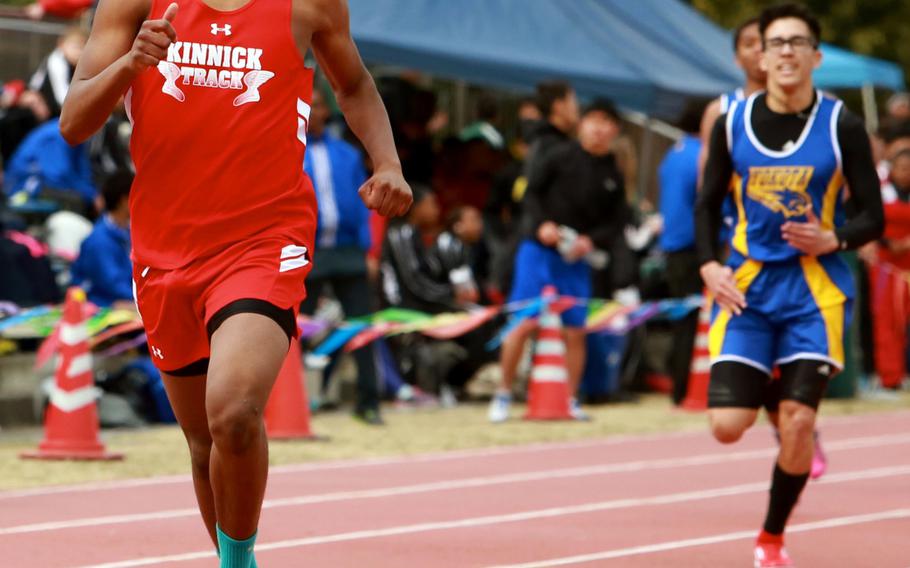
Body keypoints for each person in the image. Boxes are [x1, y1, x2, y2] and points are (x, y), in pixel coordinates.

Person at [59, 3, 412, 568]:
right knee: (204, 443)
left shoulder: (309, 4)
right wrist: (131, 64)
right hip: (164, 248)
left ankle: (237, 561)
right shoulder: (137, 4)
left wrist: (388, 162)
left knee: (234, 411)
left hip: (264, 238)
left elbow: (354, 83)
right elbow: (74, 121)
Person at [695, 5, 883, 567]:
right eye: (774, 42)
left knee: (800, 423)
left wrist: (835, 239)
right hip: (748, 287)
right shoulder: (733, 121)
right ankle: (781, 387)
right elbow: (705, 204)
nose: (784, 51)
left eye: (797, 42)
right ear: (759, 55)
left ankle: (771, 539)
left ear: (815, 57)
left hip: (814, 291)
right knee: (726, 428)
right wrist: (707, 264)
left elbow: (872, 215)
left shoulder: (841, 124)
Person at [489, 99, 630, 423]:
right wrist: (542, 226)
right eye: (592, 119)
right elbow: (530, 194)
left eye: (605, 122)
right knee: (522, 322)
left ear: (614, 131)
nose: (597, 128)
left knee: (575, 330)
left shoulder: (613, 174)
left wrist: (589, 241)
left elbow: (616, 223)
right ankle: (503, 394)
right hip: (538, 251)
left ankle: (570, 399)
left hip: (575, 258)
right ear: (581, 124)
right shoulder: (559, 155)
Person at [299, 88, 382, 425]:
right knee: (294, 328)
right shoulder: (289, 148)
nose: (313, 110)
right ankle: (290, 401)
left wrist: (369, 251)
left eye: (318, 104)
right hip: (309, 251)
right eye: (308, 103)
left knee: (361, 326)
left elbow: (365, 206)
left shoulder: (346, 154)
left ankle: (368, 401)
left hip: (348, 251)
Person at [658, 100, 704, 405]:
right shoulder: (701, 155)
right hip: (694, 246)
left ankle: (678, 385)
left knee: (681, 321)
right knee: (694, 320)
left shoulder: (671, 155)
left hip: (671, 246)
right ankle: (687, 387)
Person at [869, 149, 910, 390]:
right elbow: (869, 220)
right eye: (903, 168)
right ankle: (890, 377)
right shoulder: (880, 189)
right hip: (888, 268)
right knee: (887, 323)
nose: (907, 174)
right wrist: (886, 243)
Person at [71, 170, 134, 307]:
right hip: (102, 307)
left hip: (127, 300)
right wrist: (144, 299)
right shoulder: (99, 241)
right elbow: (113, 283)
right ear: (124, 200)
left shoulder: (129, 231)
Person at [29, 27, 88, 118]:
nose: (79, 52)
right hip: (42, 110)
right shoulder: (56, 61)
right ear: (61, 45)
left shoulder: (76, 63)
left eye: (83, 48)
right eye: (76, 47)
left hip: (56, 110)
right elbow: (62, 97)